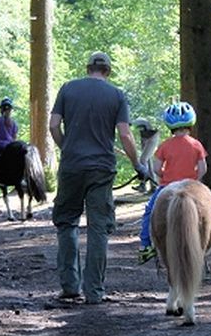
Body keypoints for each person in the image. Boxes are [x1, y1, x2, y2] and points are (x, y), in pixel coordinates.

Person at [49, 51, 149, 305]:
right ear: (108, 70)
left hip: (71, 166)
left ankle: (70, 286)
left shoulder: (68, 89)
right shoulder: (116, 95)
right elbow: (125, 135)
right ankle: (94, 291)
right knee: (98, 228)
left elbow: (53, 125)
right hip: (102, 169)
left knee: (67, 223)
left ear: (88, 68)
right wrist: (137, 163)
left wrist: (66, 147)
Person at [137, 101, 211, 263]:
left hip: (167, 186)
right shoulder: (196, 144)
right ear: (190, 123)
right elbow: (203, 168)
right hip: (192, 183)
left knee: (150, 211)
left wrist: (165, 175)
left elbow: (156, 168)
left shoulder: (164, 146)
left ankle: (145, 246)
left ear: (170, 125)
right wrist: (195, 180)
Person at [131, 118, 160, 193]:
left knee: (143, 160)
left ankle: (144, 183)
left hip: (153, 137)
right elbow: (143, 138)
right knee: (148, 161)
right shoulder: (143, 130)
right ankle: (153, 185)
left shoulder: (151, 130)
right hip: (148, 138)